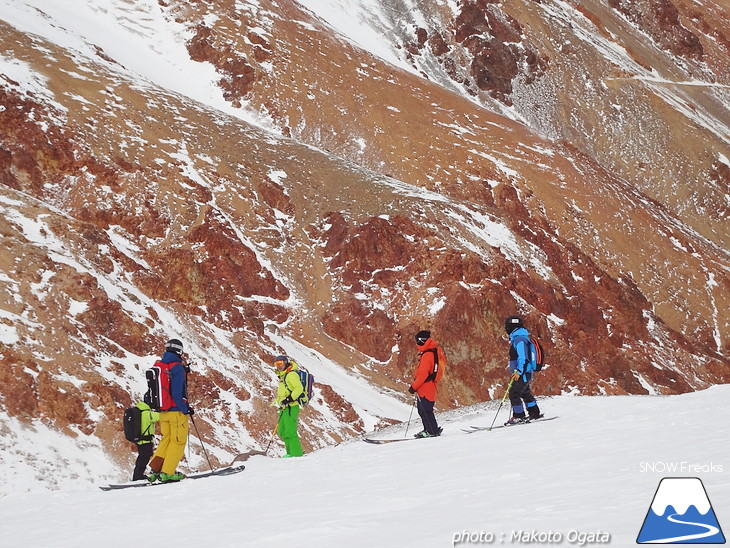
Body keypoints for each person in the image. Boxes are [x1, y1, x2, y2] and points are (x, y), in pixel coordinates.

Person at [148, 338, 193, 482]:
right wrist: (185, 409)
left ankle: (156, 470)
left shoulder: (160, 366)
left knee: (166, 440)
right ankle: (168, 472)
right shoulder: (177, 368)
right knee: (178, 441)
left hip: (163, 412)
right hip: (176, 412)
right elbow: (176, 394)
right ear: (180, 351)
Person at [504, 316, 542, 424]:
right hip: (525, 372)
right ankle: (534, 412)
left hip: (522, 373)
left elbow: (523, 357)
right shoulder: (520, 338)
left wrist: (518, 372)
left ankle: (519, 416)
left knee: (514, 393)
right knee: (525, 393)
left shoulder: (519, 339)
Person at [408, 330, 444, 438]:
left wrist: (413, 387)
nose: (416, 344)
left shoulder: (427, 355)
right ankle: (430, 429)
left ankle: (431, 431)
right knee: (425, 410)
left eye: (417, 341)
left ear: (421, 341)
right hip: (430, 386)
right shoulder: (433, 351)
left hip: (425, 387)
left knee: (425, 411)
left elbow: (423, 374)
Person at [274, 355, 305, 458]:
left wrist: (289, 399)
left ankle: (296, 454)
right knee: (282, 431)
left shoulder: (291, 375)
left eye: (280, 363)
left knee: (290, 431)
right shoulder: (283, 375)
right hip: (284, 406)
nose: (278, 366)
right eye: (276, 364)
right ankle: (290, 452)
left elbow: (299, 388)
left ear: (285, 363)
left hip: (291, 406)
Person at [131, 399, 159, 481]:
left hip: (139, 439)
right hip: (146, 440)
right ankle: (138, 476)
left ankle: (137, 475)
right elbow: (161, 416)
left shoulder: (139, 412)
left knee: (142, 456)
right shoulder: (148, 414)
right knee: (144, 457)